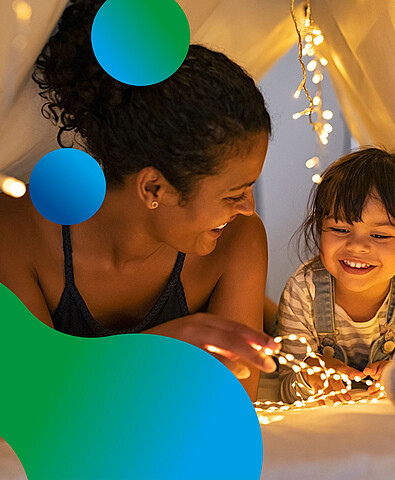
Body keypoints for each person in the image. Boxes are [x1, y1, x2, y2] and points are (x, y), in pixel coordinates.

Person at [0, 0, 278, 401]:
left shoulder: (239, 241)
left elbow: (226, 408)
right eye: (234, 194)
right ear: (154, 189)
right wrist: (161, 347)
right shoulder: (18, 232)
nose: (248, 208)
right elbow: (26, 399)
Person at [277, 147, 395, 404]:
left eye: (379, 235)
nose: (356, 246)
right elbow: (287, 389)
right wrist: (311, 377)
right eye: (339, 229)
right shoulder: (303, 290)